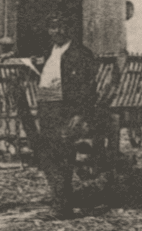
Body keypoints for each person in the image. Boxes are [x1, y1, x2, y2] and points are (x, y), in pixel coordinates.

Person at [29, 13, 99, 219]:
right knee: (49, 155)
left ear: (70, 29)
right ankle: (59, 200)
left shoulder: (81, 53)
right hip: (47, 108)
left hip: (65, 110)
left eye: (61, 27)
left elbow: (89, 88)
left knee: (62, 156)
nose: (57, 31)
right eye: (52, 27)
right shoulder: (49, 51)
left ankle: (62, 207)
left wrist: (79, 114)